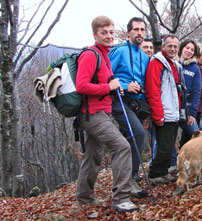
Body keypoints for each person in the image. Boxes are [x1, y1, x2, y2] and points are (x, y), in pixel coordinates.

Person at [75, 15, 138, 213]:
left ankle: (85, 198)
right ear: (95, 34)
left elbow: (102, 83)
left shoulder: (105, 54)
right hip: (91, 114)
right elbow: (81, 86)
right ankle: (121, 199)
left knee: (93, 155)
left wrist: (113, 89)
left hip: (100, 111)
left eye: (111, 32)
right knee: (122, 146)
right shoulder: (90, 55)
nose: (109, 36)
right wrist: (107, 87)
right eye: (104, 33)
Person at [108, 17, 149, 198]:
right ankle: (131, 177)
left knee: (127, 141)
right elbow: (106, 75)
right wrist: (124, 86)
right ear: (128, 32)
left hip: (137, 104)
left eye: (142, 30)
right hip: (119, 100)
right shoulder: (120, 51)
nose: (139, 33)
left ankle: (123, 178)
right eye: (136, 29)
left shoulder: (143, 56)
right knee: (137, 133)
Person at [145, 34, 185, 185]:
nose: (173, 49)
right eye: (170, 46)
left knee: (169, 146)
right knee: (163, 146)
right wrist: (158, 114)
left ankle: (163, 172)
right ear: (163, 47)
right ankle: (155, 174)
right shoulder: (157, 63)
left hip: (173, 112)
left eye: (175, 46)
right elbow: (153, 90)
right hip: (163, 112)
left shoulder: (173, 64)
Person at [178, 39, 201, 147]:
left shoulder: (195, 68)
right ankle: (173, 162)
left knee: (197, 137)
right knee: (167, 139)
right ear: (181, 48)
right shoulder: (173, 63)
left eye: (192, 50)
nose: (189, 51)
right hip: (172, 105)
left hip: (187, 107)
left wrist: (192, 113)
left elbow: (197, 92)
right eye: (187, 48)